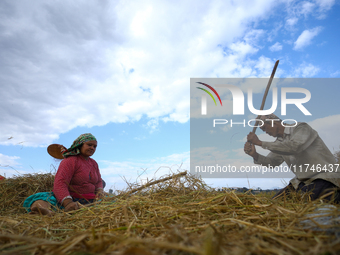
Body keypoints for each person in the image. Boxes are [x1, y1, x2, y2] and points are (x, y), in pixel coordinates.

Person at [244, 114, 340, 203]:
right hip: (301, 182)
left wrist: (260, 143)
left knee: (306, 204)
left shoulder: (301, 128)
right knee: (274, 204)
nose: (266, 132)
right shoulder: (279, 143)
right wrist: (255, 155)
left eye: (265, 128)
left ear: (273, 121)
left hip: (324, 177)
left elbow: (295, 147)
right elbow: (272, 162)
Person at [23, 133, 104, 215]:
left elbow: (98, 181)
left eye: (94, 146)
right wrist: (68, 203)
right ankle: (46, 211)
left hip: (91, 200)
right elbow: (60, 182)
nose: (92, 148)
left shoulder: (94, 163)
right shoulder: (70, 161)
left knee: (111, 200)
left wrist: (100, 190)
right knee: (42, 199)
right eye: (89, 145)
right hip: (71, 199)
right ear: (80, 145)